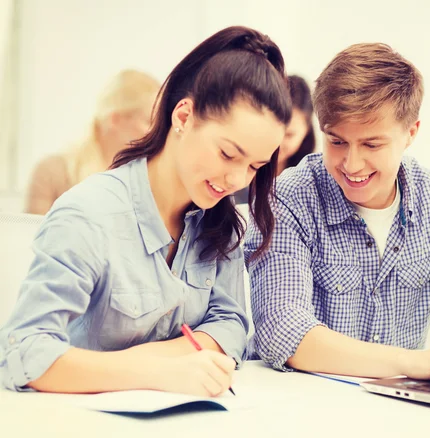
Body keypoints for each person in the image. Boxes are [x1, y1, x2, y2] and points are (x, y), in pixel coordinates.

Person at [0, 26, 292, 396]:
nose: (236, 179)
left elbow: (231, 324)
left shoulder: (220, 222)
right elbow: (23, 353)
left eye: (253, 167)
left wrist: (170, 363)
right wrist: (153, 371)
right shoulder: (89, 214)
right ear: (183, 118)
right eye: (228, 154)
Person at [245, 43, 430, 379]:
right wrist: (409, 363)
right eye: (337, 141)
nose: (352, 164)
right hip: (302, 406)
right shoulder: (289, 197)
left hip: (398, 411)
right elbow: (282, 331)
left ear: (411, 133)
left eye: (372, 144)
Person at [24, 69, 160, 215]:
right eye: (149, 121)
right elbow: (31, 235)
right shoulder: (52, 172)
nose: (157, 131)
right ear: (114, 119)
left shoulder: (150, 179)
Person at [233, 74, 315, 204]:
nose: (278, 142)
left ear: (306, 132)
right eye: (273, 129)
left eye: (289, 135)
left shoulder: (311, 182)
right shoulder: (233, 168)